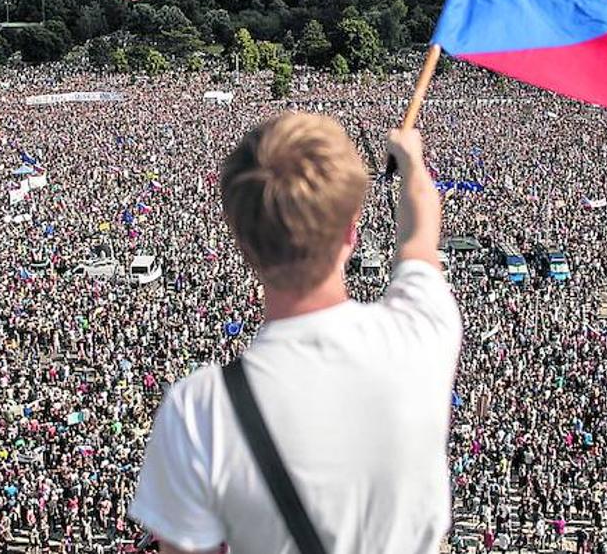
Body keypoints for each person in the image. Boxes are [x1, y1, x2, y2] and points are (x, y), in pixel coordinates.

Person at [128, 113, 460, 553]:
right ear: (350, 232)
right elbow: (419, 238)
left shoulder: (199, 411)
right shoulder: (421, 334)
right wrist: (412, 163)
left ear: (242, 244)